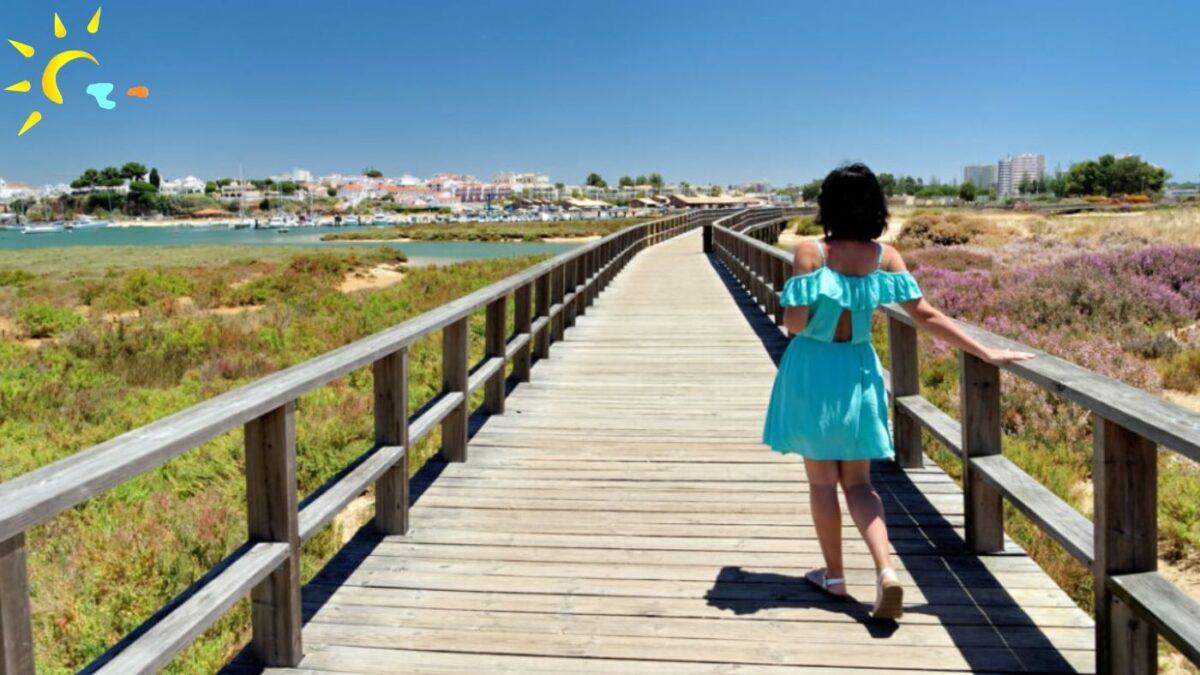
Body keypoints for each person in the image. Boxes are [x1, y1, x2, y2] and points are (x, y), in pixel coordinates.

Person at [761, 163, 1033, 620]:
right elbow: (925, 314)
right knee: (861, 483)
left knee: (822, 484)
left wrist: (802, 298)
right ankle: (886, 571)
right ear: (875, 206)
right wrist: (983, 349)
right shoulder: (886, 256)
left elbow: (793, 325)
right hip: (858, 369)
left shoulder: (812, 251)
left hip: (814, 370)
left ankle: (835, 575)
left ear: (827, 205)